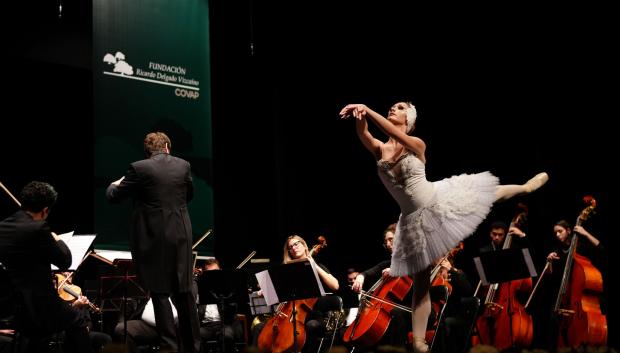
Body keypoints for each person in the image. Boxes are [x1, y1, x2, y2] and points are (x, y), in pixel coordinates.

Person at [340, 102, 549, 353]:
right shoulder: (380, 149)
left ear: (410, 119)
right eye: (392, 107)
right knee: (420, 284)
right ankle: (419, 342)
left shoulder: (415, 143)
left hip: (435, 201)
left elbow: (394, 133)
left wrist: (367, 109)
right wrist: (359, 116)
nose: (392, 109)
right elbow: (364, 134)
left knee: (484, 193)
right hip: (412, 220)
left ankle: (525, 187)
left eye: (399, 107)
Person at [106, 131, 201, 353]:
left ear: (148, 152)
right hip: (181, 235)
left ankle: (169, 347)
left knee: (160, 293)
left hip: (154, 238)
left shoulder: (139, 168)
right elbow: (190, 195)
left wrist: (114, 183)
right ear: (167, 147)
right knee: (185, 291)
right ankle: (193, 347)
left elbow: (114, 196)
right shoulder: (183, 165)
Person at [0, 181, 93, 353]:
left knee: (39, 334)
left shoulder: (3, 226)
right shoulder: (38, 228)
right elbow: (65, 261)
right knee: (77, 319)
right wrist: (57, 239)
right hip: (40, 305)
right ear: (45, 210)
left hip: (15, 306)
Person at [256, 235, 340, 353]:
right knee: (259, 328)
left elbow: (335, 285)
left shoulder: (318, 266)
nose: (294, 248)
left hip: (312, 314)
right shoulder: (286, 270)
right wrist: (266, 290)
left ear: (304, 245)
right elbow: (276, 291)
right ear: (289, 252)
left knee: (312, 326)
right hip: (288, 315)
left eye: (296, 244)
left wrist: (313, 265)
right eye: (290, 247)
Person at [543, 220, 607, 350]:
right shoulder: (556, 250)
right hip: (562, 295)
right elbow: (550, 274)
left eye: (560, 231)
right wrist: (549, 262)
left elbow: (601, 248)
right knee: (553, 322)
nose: (557, 235)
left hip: (577, 298)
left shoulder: (580, 247)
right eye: (555, 232)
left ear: (568, 231)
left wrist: (585, 233)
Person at [349, 222, 411, 349]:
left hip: (411, 308)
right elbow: (368, 272)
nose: (388, 245)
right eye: (386, 242)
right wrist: (360, 277)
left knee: (395, 314)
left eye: (391, 240)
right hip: (391, 309)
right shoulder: (387, 263)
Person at [196, 258, 245, 353]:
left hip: (224, 324)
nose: (213, 276)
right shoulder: (200, 287)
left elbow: (232, 311)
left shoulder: (227, 286)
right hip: (206, 326)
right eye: (210, 273)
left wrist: (226, 298)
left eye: (215, 272)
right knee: (194, 337)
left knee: (227, 336)